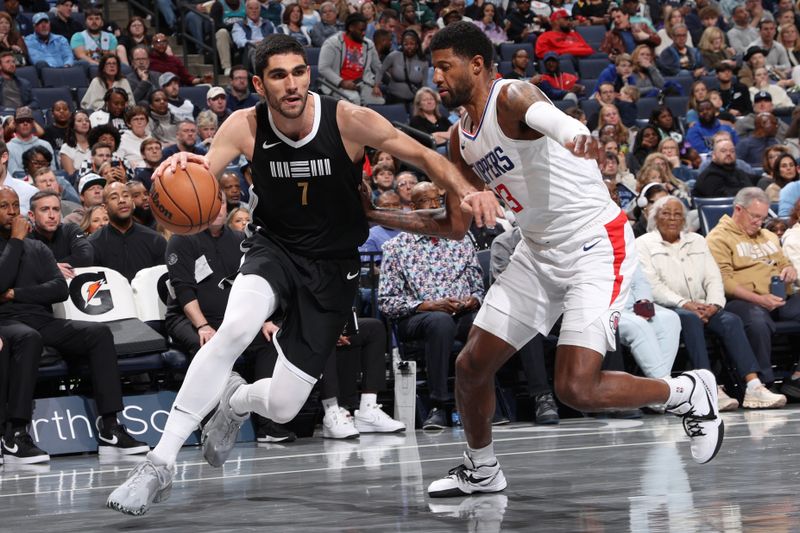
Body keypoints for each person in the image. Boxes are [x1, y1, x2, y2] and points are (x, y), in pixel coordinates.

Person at [106, 33, 498, 515]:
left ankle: (238, 401)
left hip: (333, 266)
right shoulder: (244, 125)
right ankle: (159, 465)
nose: (291, 85)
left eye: (298, 72)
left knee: (286, 406)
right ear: (258, 82)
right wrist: (182, 167)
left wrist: (467, 189)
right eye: (277, 75)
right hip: (273, 248)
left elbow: (427, 157)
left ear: (308, 75)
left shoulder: (348, 120)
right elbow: (198, 182)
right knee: (232, 331)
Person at [374, 22, 725, 498]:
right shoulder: (460, 141)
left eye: (443, 66)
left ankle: (686, 392)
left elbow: (555, 120)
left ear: (475, 65)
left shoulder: (511, 95)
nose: (434, 77)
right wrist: (376, 214)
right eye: (433, 68)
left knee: (576, 388)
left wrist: (575, 133)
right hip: (537, 252)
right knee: (472, 364)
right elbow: (455, 226)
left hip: (594, 245)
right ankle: (481, 468)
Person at [0, 187, 150, 460]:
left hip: (43, 320)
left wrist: (15, 293)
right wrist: (16, 240)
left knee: (99, 334)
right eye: (4, 206)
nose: (12, 212)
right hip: (7, 322)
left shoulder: (38, 248)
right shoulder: (20, 243)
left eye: (14, 205)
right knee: (28, 337)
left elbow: (59, 289)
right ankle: (15, 433)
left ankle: (110, 426)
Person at [638, 196, 787, 410]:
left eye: (677, 214)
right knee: (690, 320)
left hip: (704, 304)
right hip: (669, 307)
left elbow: (713, 278)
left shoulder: (697, 241)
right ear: (655, 217)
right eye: (666, 213)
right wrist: (684, 303)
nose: (672, 218)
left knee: (731, 321)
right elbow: (652, 285)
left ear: (684, 219)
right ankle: (708, 388)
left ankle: (754, 386)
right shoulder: (643, 244)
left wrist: (715, 304)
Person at [379, 181, 484, 429]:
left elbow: (478, 287)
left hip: (460, 313)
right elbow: (386, 301)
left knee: (484, 322)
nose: (435, 205)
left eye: (437, 200)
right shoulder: (396, 247)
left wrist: (472, 300)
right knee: (440, 322)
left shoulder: (461, 237)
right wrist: (427, 305)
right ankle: (440, 405)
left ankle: (480, 401)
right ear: (413, 207)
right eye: (427, 201)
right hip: (418, 318)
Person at [706, 187, 800, 400]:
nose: (759, 222)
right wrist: (760, 299)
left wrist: (789, 270)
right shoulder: (718, 238)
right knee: (757, 321)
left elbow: (783, 262)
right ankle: (763, 384)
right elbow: (724, 281)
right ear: (738, 209)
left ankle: (797, 378)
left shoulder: (767, 235)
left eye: (763, 217)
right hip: (742, 300)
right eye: (755, 217)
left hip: (779, 297)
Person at [88, 181, 167, 281]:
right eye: (114, 197)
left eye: (126, 196)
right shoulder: (93, 245)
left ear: (132, 202)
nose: (121, 200)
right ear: (105, 207)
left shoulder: (155, 240)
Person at [318, 13, 385, 106]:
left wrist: (376, 85)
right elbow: (323, 68)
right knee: (354, 99)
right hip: (338, 84)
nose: (364, 33)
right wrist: (341, 82)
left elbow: (378, 67)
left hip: (362, 83)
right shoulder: (332, 43)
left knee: (379, 101)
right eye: (361, 30)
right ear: (351, 28)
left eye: (364, 30)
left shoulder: (369, 44)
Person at [26, 189, 93, 279]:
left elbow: (86, 256)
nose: (52, 215)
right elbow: (21, 266)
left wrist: (48, 266)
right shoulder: (25, 237)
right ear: (32, 216)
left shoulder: (70, 229)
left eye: (56, 209)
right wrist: (52, 268)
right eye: (45, 209)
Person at [381, 30, 426, 106]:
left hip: (415, 96)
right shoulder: (394, 56)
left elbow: (424, 84)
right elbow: (382, 71)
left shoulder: (423, 61)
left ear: (417, 45)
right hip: (394, 97)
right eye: (406, 43)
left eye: (412, 43)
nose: (409, 46)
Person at [6, 106, 54, 177]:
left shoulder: (45, 145)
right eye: (21, 121)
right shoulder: (8, 147)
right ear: (15, 124)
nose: (25, 123)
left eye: (28, 120)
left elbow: (53, 171)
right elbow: (15, 174)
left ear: (33, 124)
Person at [231, 0, 276, 71]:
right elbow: (239, 41)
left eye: (256, 8)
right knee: (254, 50)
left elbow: (276, 39)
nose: (254, 11)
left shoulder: (269, 23)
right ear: (246, 10)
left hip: (268, 49)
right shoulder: (239, 25)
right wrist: (254, 43)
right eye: (251, 8)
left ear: (260, 10)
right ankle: (259, 76)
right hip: (250, 52)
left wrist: (264, 44)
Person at [59, 109, 91, 177]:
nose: (84, 123)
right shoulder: (66, 148)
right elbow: (71, 175)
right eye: (79, 121)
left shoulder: (96, 144)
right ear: (73, 125)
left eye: (87, 120)